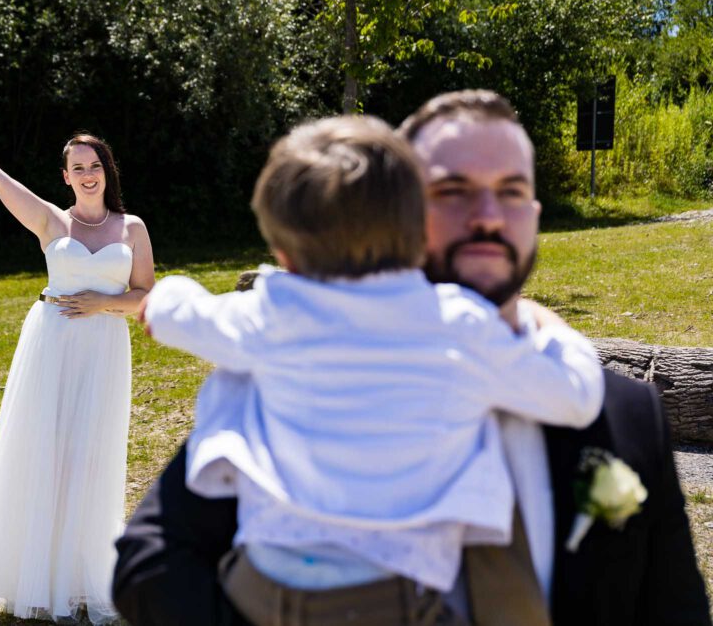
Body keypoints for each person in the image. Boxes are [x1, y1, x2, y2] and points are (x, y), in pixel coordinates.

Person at [111, 91, 711, 626]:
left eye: (513, 191)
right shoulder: (258, 384)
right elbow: (149, 567)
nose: (487, 215)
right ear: (407, 216)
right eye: (451, 191)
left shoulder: (632, 414)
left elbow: (676, 610)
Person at [0, 108, 155, 624]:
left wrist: (100, 303)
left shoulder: (132, 228)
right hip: (52, 345)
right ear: (66, 177)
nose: (88, 174)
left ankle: (82, 575)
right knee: (45, 455)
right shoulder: (51, 219)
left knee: (89, 461)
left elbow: (144, 298)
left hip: (103, 352)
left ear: (106, 171)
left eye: (95, 165)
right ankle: (33, 577)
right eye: (78, 167)